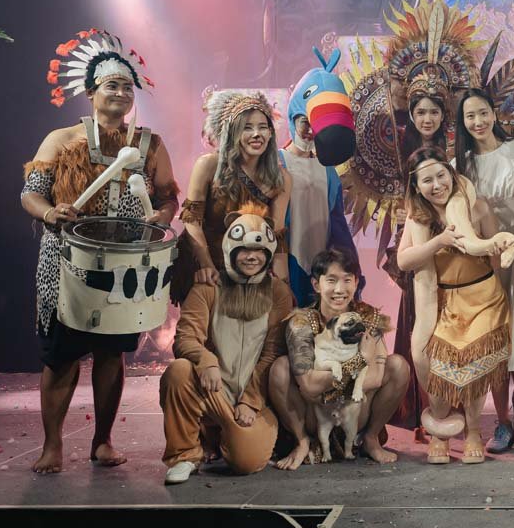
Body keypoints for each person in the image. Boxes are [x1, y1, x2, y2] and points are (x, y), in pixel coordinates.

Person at [21, 28, 178, 474]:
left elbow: (169, 197)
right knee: (61, 357)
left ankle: (103, 441)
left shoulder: (149, 145)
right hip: (66, 265)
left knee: (112, 355)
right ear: (91, 92)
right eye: (112, 85)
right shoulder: (60, 139)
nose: (122, 93)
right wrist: (51, 213)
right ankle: (52, 445)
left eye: (128, 86)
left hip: (122, 268)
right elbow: (31, 194)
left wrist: (161, 217)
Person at [396, 147, 514, 464]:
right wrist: (439, 242)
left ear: (451, 175)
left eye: (441, 176)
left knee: (475, 363)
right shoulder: (417, 218)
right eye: (427, 180)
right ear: (416, 186)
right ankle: (441, 430)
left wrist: (493, 246)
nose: (437, 185)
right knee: (436, 366)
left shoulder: (477, 206)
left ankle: (474, 431)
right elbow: (404, 260)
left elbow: (494, 253)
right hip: (442, 301)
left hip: (483, 298)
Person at [160, 208, 295, 483]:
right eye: (244, 249)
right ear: (230, 249)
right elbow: (185, 337)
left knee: (246, 462)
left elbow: (273, 353)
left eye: (258, 251)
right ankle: (185, 455)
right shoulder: (209, 287)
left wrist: (251, 400)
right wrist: (205, 359)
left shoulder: (278, 292)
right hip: (214, 388)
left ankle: (217, 435)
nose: (251, 257)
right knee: (179, 371)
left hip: (252, 396)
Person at [267, 248, 410, 469]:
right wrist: (360, 361)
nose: (339, 289)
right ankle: (303, 441)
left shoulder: (368, 317)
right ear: (316, 284)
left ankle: (370, 438)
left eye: (347, 280)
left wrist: (326, 384)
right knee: (280, 368)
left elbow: (375, 379)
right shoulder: (302, 322)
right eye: (331, 280)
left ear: (356, 282)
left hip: (356, 411)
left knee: (398, 366)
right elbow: (308, 386)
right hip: (315, 415)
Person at [453, 87, 514, 453]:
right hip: (489, 261)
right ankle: (503, 421)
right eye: (470, 116)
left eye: (483, 113)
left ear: (494, 113)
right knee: (499, 339)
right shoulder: (461, 165)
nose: (478, 121)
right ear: (463, 122)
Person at [174, 90, 291, 302]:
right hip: (207, 265)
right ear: (232, 132)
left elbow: (277, 235)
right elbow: (192, 220)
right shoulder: (208, 165)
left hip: (251, 268)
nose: (257, 134)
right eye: (247, 127)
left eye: (263, 127)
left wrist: (282, 283)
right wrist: (207, 266)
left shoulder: (280, 178)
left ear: (271, 133)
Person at [385, 88, 451, 441]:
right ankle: (420, 412)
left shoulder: (457, 150)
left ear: (444, 115)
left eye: (434, 112)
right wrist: (398, 214)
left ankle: (451, 408)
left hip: (452, 250)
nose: (427, 118)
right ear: (411, 115)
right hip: (418, 246)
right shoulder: (399, 152)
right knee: (418, 331)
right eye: (421, 112)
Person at [279, 108, 359, 307]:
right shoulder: (277, 162)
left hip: (320, 261)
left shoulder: (327, 169)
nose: (309, 130)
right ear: (293, 121)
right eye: (304, 122)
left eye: (315, 123)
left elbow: (337, 222)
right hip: (285, 256)